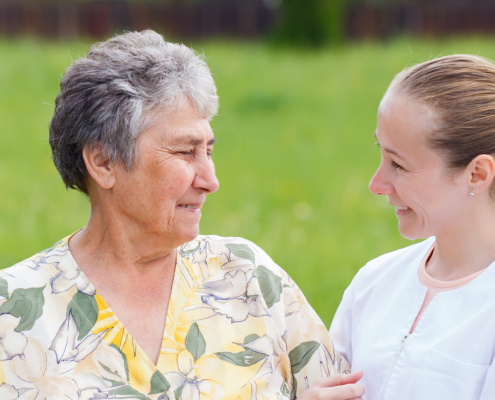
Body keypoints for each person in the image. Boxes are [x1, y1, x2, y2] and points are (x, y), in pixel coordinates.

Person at [0, 30, 364, 400]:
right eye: (185, 153)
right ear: (103, 161)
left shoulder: (248, 277)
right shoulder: (13, 311)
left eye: (208, 150)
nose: (211, 180)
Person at [330, 54, 495, 400]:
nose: (376, 184)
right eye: (381, 154)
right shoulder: (373, 282)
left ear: (477, 174)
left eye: (399, 166)